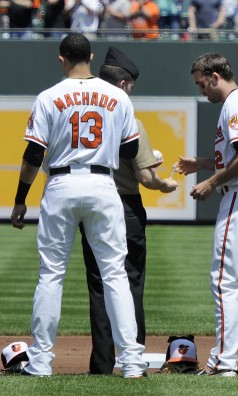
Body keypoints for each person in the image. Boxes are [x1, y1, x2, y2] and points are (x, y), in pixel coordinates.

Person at [10, 33, 146, 378]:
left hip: (60, 183)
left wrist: (20, 199)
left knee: (51, 274)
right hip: (103, 184)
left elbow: (33, 155)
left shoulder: (49, 97)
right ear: (91, 55)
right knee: (115, 274)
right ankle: (131, 361)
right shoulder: (117, 95)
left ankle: (40, 362)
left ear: (62, 59)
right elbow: (130, 151)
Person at [176, 53, 238, 376]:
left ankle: (222, 361)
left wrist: (211, 181)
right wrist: (205, 163)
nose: (201, 89)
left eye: (201, 82)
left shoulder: (234, 104)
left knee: (224, 282)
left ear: (215, 74)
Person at [79, 47, 178, 375]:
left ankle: (102, 362)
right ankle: (131, 358)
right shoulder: (128, 118)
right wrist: (165, 185)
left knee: (98, 284)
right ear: (122, 85)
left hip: (89, 202)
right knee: (129, 281)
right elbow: (145, 177)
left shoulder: (81, 115)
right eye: (131, 85)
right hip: (124, 205)